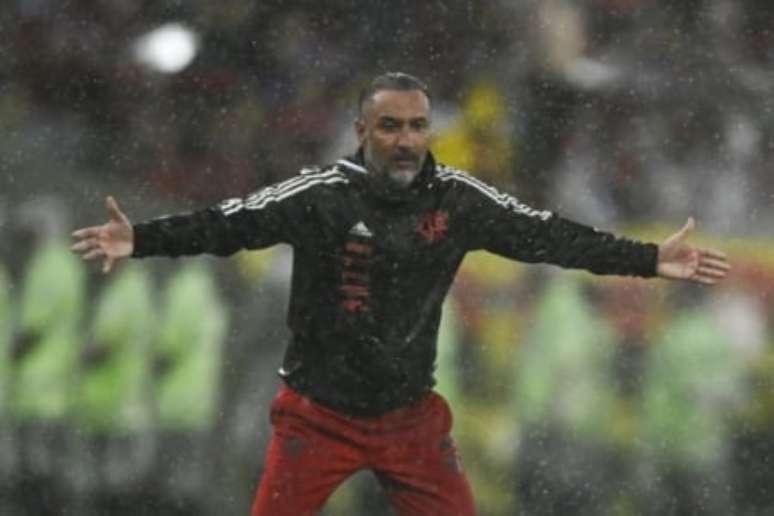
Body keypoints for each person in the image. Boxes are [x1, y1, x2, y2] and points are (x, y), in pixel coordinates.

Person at [71, 72, 730, 516]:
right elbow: (230, 222)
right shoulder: (321, 196)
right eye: (390, 127)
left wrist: (647, 259)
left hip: (408, 420)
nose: (406, 140)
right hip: (317, 414)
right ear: (362, 132)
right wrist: (143, 240)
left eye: (416, 126)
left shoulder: (459, 201)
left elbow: (548, 236)